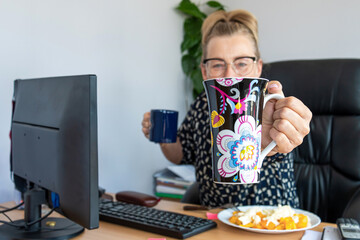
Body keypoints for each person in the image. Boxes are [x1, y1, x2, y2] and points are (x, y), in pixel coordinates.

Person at [142, 9, 312, 208]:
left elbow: (284, 141)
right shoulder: (201, 104)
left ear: (258, 68)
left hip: (270, 222)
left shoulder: (270, 105)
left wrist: (286, 130)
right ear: (204, 71)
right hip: (213, 223)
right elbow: (181, 153)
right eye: (217, 64)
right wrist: (162, 136)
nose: (229, 74)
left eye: (241, 63)